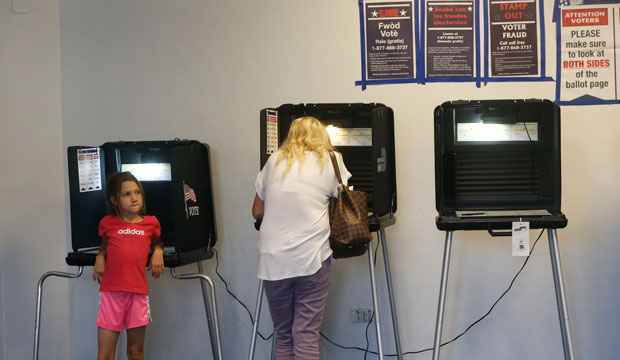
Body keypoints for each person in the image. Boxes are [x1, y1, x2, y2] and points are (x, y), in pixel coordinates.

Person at [252, 116, 351, 359]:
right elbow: (345, 202)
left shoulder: (274, 160)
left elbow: (257, 211)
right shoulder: (331, 159)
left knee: (284, 336)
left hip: (273, 260)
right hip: (312, 258)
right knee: (305, 336)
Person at [93, 171, 165, 360]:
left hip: (138, 294)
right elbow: (105, 244)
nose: (134, 198)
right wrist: (100, 255)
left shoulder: (150, 223)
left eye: (137, 193)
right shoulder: (108, 223)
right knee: (105, 355)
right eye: (126, 194)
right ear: (114, 200)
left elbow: (158, 242)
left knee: (135, 353)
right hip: (112, 293)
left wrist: (158, 252)